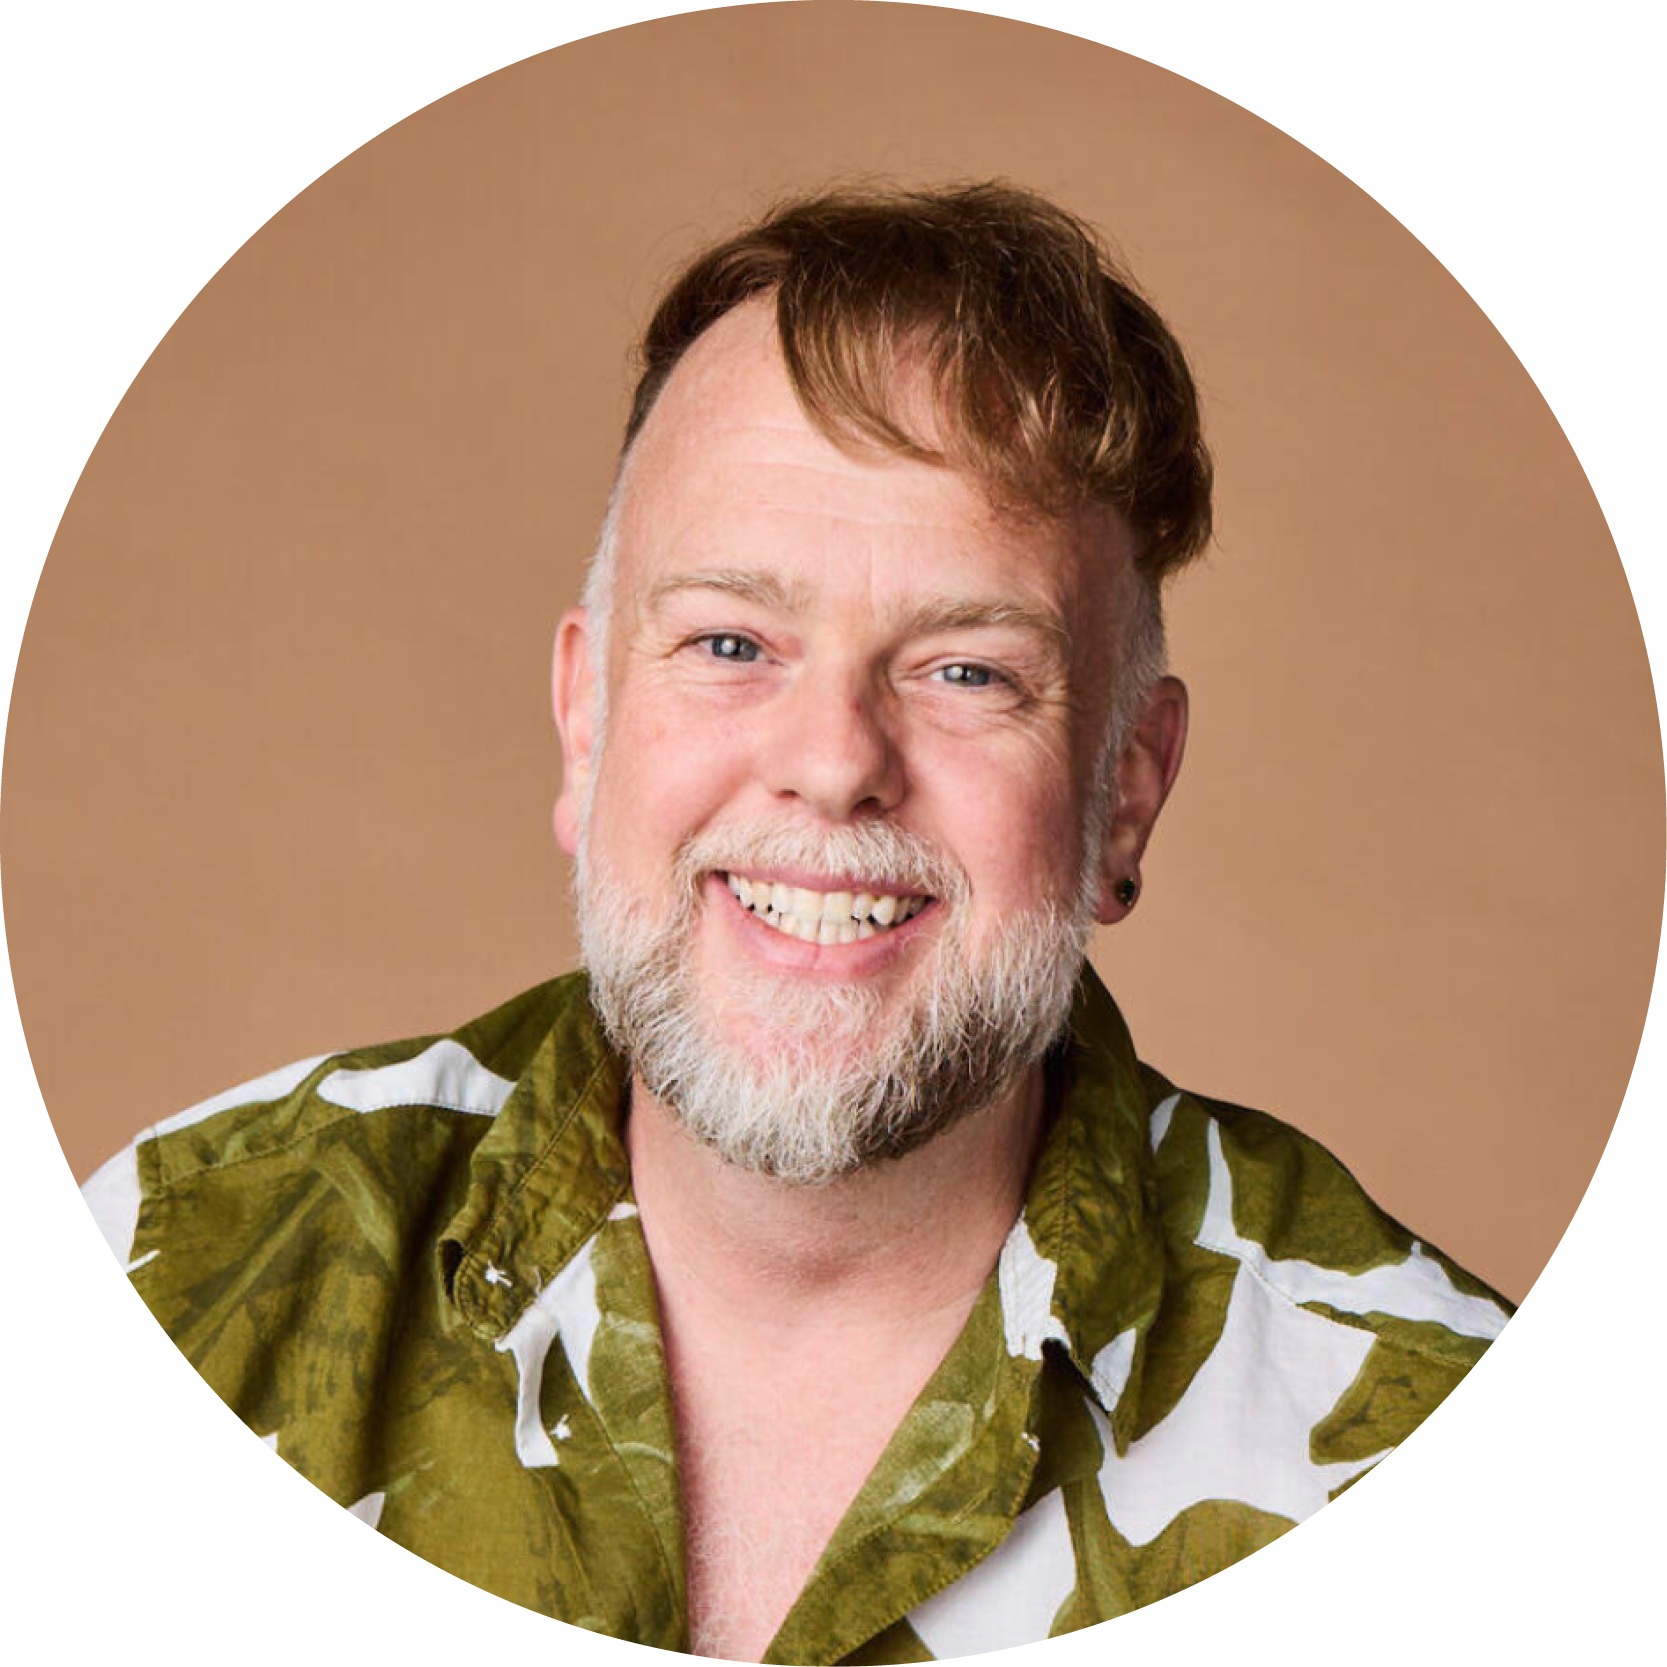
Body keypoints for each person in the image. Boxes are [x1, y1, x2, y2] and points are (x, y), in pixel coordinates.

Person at [81, 183, 1513, 1665]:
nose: (833, 759)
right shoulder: (190, 1270)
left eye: (966, 671)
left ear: (1125, 794)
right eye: (728, 642)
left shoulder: (1466, 1456)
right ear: (585, 722)